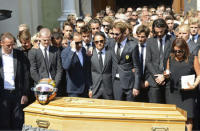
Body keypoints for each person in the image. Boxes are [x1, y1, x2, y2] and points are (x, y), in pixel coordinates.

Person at [165, 38, 200, 131]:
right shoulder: (170, 58)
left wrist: (194, 85)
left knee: (188, 118)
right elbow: (167, 72)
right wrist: (166, 75)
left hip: (188, 93)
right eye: (175, 51)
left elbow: (199, 75)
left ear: (185, 49)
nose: (177, 53)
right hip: (173, 93)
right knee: (173, 118)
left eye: (179, 51)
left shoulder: (193, 58)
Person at [0, 32, 29, 130]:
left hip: (17, 95)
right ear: (1, 43)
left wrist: (25, 94)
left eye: (13, 45)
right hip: (3, 96)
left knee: (18, 123)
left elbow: (25, 75)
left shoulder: (19, 54)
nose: (11, 47)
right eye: (8, 45)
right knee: (4, 124)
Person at [146, 18, 175, 103]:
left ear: (165, 28)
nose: (159, 34)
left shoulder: (172, 40)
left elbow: (173, 61)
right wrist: (157, 76)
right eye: (157, 32)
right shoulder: (150, 41)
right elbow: (148, 61)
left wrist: (164, 75)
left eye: (161, 32)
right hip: (154, 81)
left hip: (169, 80)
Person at [111, 21, 141, 101]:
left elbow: (137, 67)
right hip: (116, 82)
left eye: (117, 34)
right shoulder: (111, 43)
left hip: (129, 84)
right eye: (112, 33)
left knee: (130, 109)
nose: (114, 36)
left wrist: (136, 86)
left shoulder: (133, 46)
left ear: (124, 33)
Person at [61, 32, 91, 97]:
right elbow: (66, 66)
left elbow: (85, 69)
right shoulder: (65, 52)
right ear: (72, 42)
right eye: (77, 43)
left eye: (81, 42)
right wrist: (72, 51)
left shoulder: (83, 50)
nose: (80, 45)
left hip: (84, 89)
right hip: (73, 90)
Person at [88, 32, 113, 99]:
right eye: (96, 42)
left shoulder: (111, 53)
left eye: (101, 41)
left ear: (105, 41)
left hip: (108, 90)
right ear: (94, 42)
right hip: (95, 90)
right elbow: (88, 73)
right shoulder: (90, 54)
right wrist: (90, 88)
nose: (99, 43)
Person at [135, 25, 150, 102]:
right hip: (135, 83)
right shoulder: (133, 47)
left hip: (148, 82)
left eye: (143, 37)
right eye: (138, 36)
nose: (140, 39)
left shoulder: (151, 48)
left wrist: (149, 81)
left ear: (147, 36)